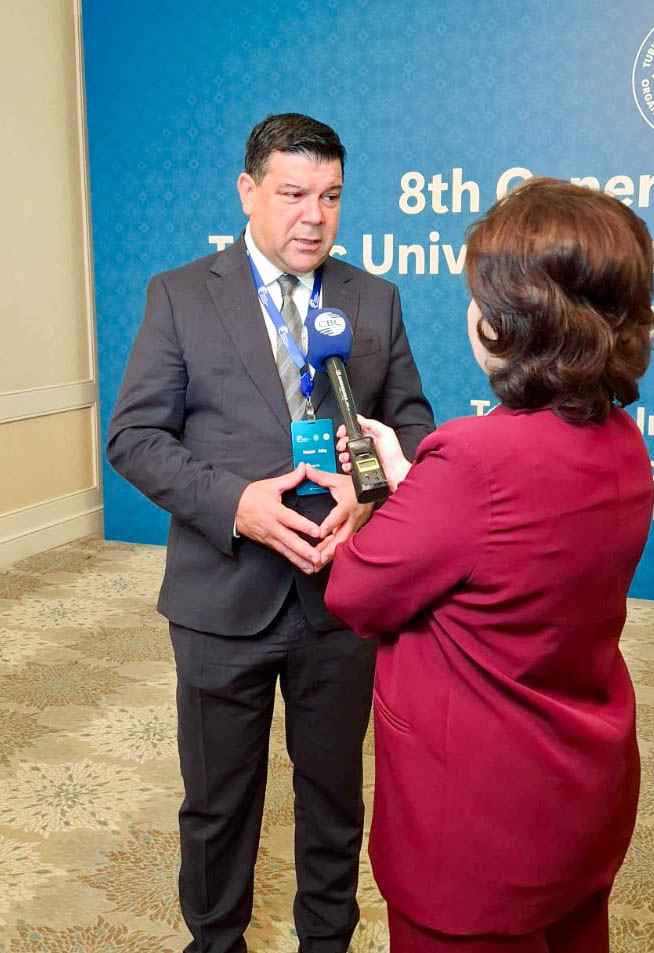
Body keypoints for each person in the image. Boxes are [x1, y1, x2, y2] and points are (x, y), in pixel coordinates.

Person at [106, 112, 434, 953]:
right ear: (248, 191)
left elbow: (411, 426)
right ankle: (216, 941)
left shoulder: (373, 297)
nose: (313, 217)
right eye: (292, 194)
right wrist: (236, 504)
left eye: (331, 196)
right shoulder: (180, 294)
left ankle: (326, 940)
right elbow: (134, 438)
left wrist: (369, 492)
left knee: (334, 795)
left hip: (341, 593)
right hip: (222, 597)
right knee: (218, 801)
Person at [325, 178, 654, 953]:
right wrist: (415, 481)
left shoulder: (474, 459)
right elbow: (506, 550)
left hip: (473, 828)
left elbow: (356, 589)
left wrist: (386, 499)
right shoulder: (621, 441)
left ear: (508, 320)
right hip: (579, 798)